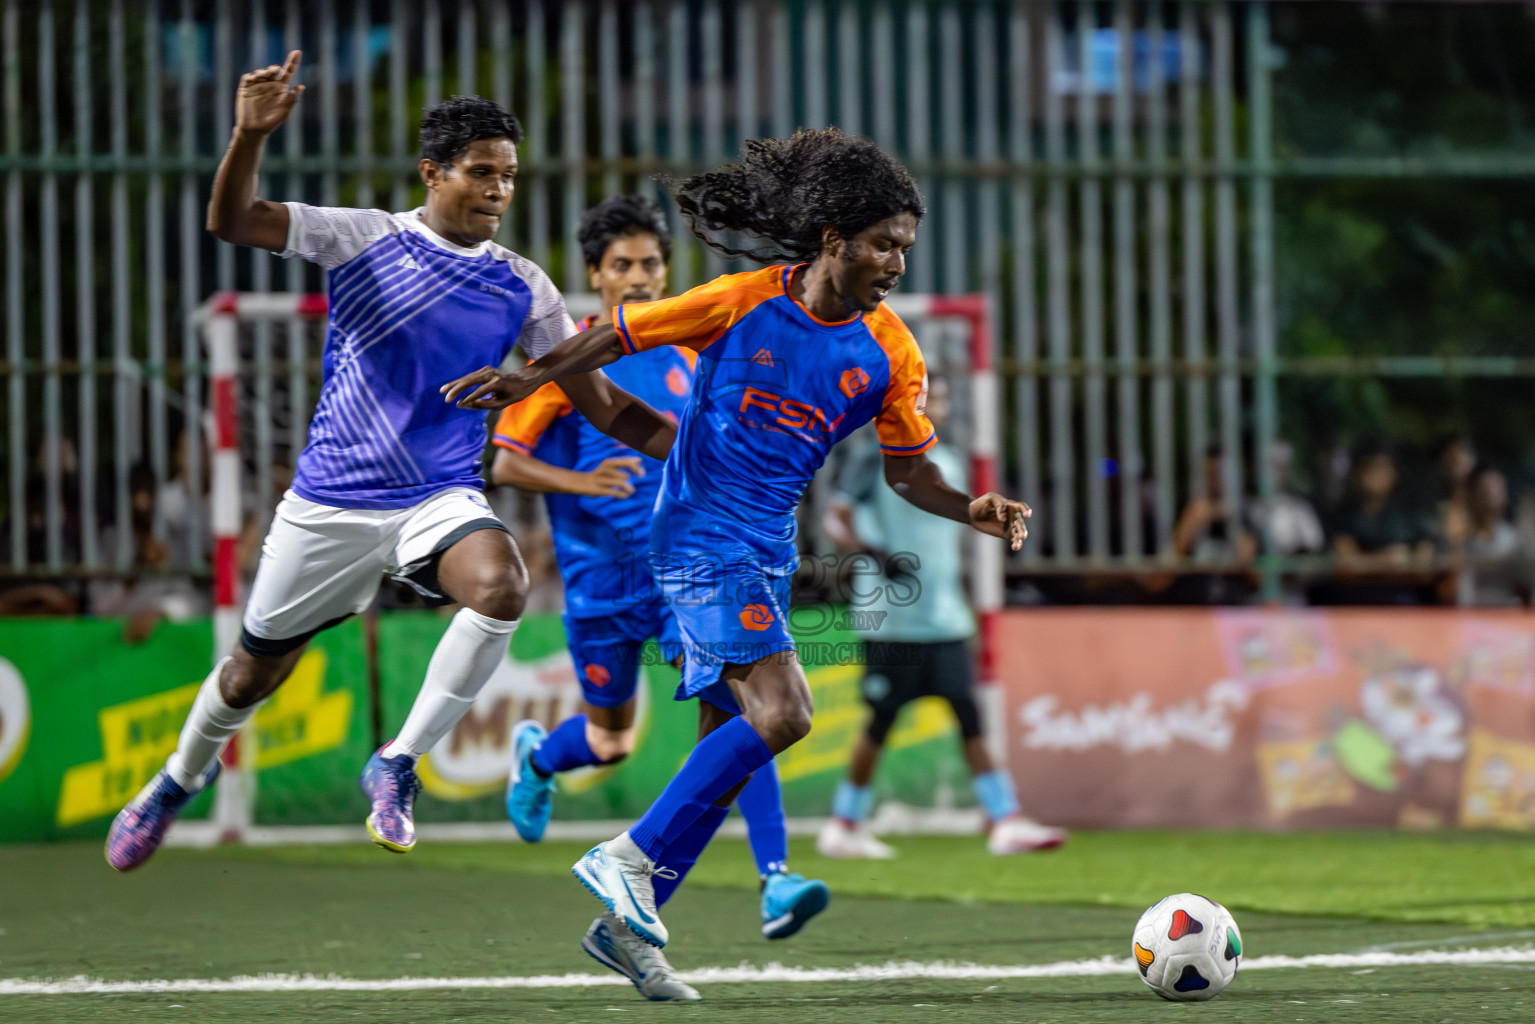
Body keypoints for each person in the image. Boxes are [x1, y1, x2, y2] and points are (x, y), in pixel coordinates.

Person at [441, 128, 1032, 961]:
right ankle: (628, 857)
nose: (898, 263)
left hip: (765, 547)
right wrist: (531, 377)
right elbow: (616, 337)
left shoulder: (891, 351)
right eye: (884, 245)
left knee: (732, 729)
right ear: (836, 240)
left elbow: (907, 474)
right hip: (696, 532)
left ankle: (630, 929)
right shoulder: (741, 298)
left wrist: (969, 507)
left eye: (905, 247)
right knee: (785, 712)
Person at [105, 51, 675, 872]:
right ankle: (172, 782)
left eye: (508, 176)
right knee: (247, 675)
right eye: (480, 172)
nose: (497, 190)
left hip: (435, 498)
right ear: (432, 172)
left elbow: (609, 406)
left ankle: (397, 762)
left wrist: (699, 449)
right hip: (330, 503)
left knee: (501, 585)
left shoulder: (524, 287)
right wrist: (248, 134)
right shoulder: (362, 238)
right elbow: (235, 221)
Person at [491, 196, 825, 1000]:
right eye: (623, 266)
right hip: (599, 583)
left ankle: (775, 876)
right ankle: (539, 757)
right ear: (595, 275)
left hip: (683, 573)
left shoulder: (684, 354)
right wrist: (581, 479)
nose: (639, 278)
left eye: (650, 264)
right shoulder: (577, 355)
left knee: (748, 707)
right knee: (610, 744)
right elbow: (504, 465)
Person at [816, 377, 1066, 859]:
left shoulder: (946, 463)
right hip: (892, 619)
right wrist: (873, 552)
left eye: (944, 399)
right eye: (929, 398)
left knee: (969, 715)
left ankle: (1005, 820)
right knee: (881, 721)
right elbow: (834, 518)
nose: (937, 407)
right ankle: (844, 824)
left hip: (945, 617)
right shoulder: (876, 456)